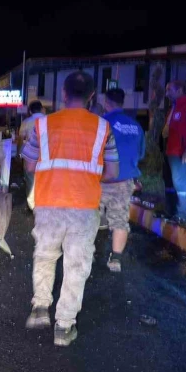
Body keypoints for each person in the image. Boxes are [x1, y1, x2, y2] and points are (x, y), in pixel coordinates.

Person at [21, 71, 119, 346]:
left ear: (63, 94)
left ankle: (40, 308)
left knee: (46, 255)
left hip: (49, 203)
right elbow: (112, 171)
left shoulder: (43, 126)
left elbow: (29, 164)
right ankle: (64, 327)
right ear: (91, 97)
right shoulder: (103, 128)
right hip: (84, 206)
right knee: (76, 265)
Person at [100, 88, 145, 273]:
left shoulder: (102, 123)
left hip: (101, 179)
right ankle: (116, 259)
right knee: (119, 219)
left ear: (106, 102)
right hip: (125, 180)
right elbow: (140, 153)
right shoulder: (136, 126)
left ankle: (85, 251)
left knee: (89, 216)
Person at [162, 80, 186, 222]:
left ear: (179, 91)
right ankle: (173, 211)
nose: (167, 94)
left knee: (182, 182)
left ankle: (182, 214)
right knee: (173, 181)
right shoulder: (175, 107)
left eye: (169, 90)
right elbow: (168, 131)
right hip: (172, 151)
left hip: (182, 152)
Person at [18, 101, 46, 211]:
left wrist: (19, 153)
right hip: (45, 154)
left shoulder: (26, 122)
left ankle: (32, 205)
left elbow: (21, 139)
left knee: (30, 179)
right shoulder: (48, 120)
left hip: (30, 155)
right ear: (41, 109)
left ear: (30, 111)